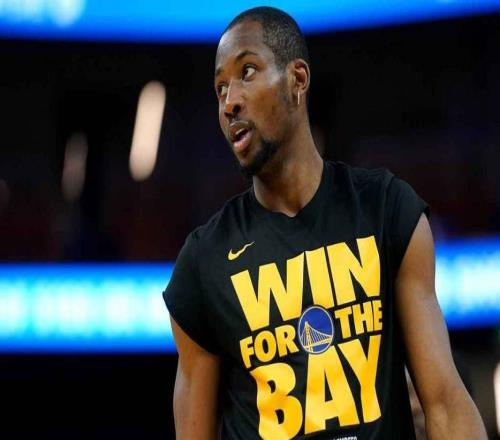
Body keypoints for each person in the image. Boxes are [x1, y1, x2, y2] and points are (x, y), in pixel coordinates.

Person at [163, 6, 487, 439]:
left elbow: (445, 403)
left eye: (247, 72)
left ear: (297, 80)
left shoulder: (385, 208)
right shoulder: (204, 262)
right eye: (220, 88)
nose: (230, 102)